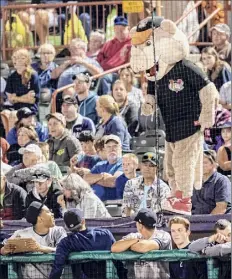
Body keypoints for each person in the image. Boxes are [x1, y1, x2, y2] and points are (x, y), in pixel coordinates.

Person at [49, 208, 121, 279]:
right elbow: (119, 264)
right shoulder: (105, 234)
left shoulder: (66, 242)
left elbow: (57, 268)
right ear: (83, 221)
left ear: (67, 227)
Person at [1, 202, 67, 279]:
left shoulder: (58, 231)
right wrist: (4, 250)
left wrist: (40, 248)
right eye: (48, 212)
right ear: (40, 218)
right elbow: (3, 248)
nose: (52, 214)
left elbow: (64, 250)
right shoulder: (21, 234)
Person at [111, 208, 171, 279]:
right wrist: (136, 241)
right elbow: (114, 248)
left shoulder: (163, 235)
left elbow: (142, 247)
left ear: (140, 225)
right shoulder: (134, 236)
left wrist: (128, 246)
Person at [122, 152, 170, 216]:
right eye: (145, 165)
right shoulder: (130, 184)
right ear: (141, 166)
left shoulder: (163, 188)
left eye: (151, 165)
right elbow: (126, 208)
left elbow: (163, 212)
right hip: (132, 222)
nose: (147, 168)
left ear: (157, 168)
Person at [84, 135, 123, 201]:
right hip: (96, 202)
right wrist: (102, 176)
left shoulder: (124, 163)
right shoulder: (100, 164)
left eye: (115, 146)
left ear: (120, 148)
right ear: (105, 149)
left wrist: (94, 181)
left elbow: (114, 181)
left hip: (114, 203)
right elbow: (85, 179)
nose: (112, 149)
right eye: (108, 147)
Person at [191, 150, 231, 215]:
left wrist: (205, 223)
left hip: (215, 222)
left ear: (214, 164)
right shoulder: (195, 182)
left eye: (204, 162)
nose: (200, 165)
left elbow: (221, 209)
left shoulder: (221, 181)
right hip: (196, 221)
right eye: (198, 163)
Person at [5, 48, 40, 113]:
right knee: (5, 113)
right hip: (15, 109)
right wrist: (25, 97)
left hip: (30, 109)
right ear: (14, 60)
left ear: (27, 60)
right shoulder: (11, 77)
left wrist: (16, 98)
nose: (20, 61)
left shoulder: (33, 75)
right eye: (17, 58)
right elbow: (10, 99)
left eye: (23, 58)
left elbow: (32, 100)